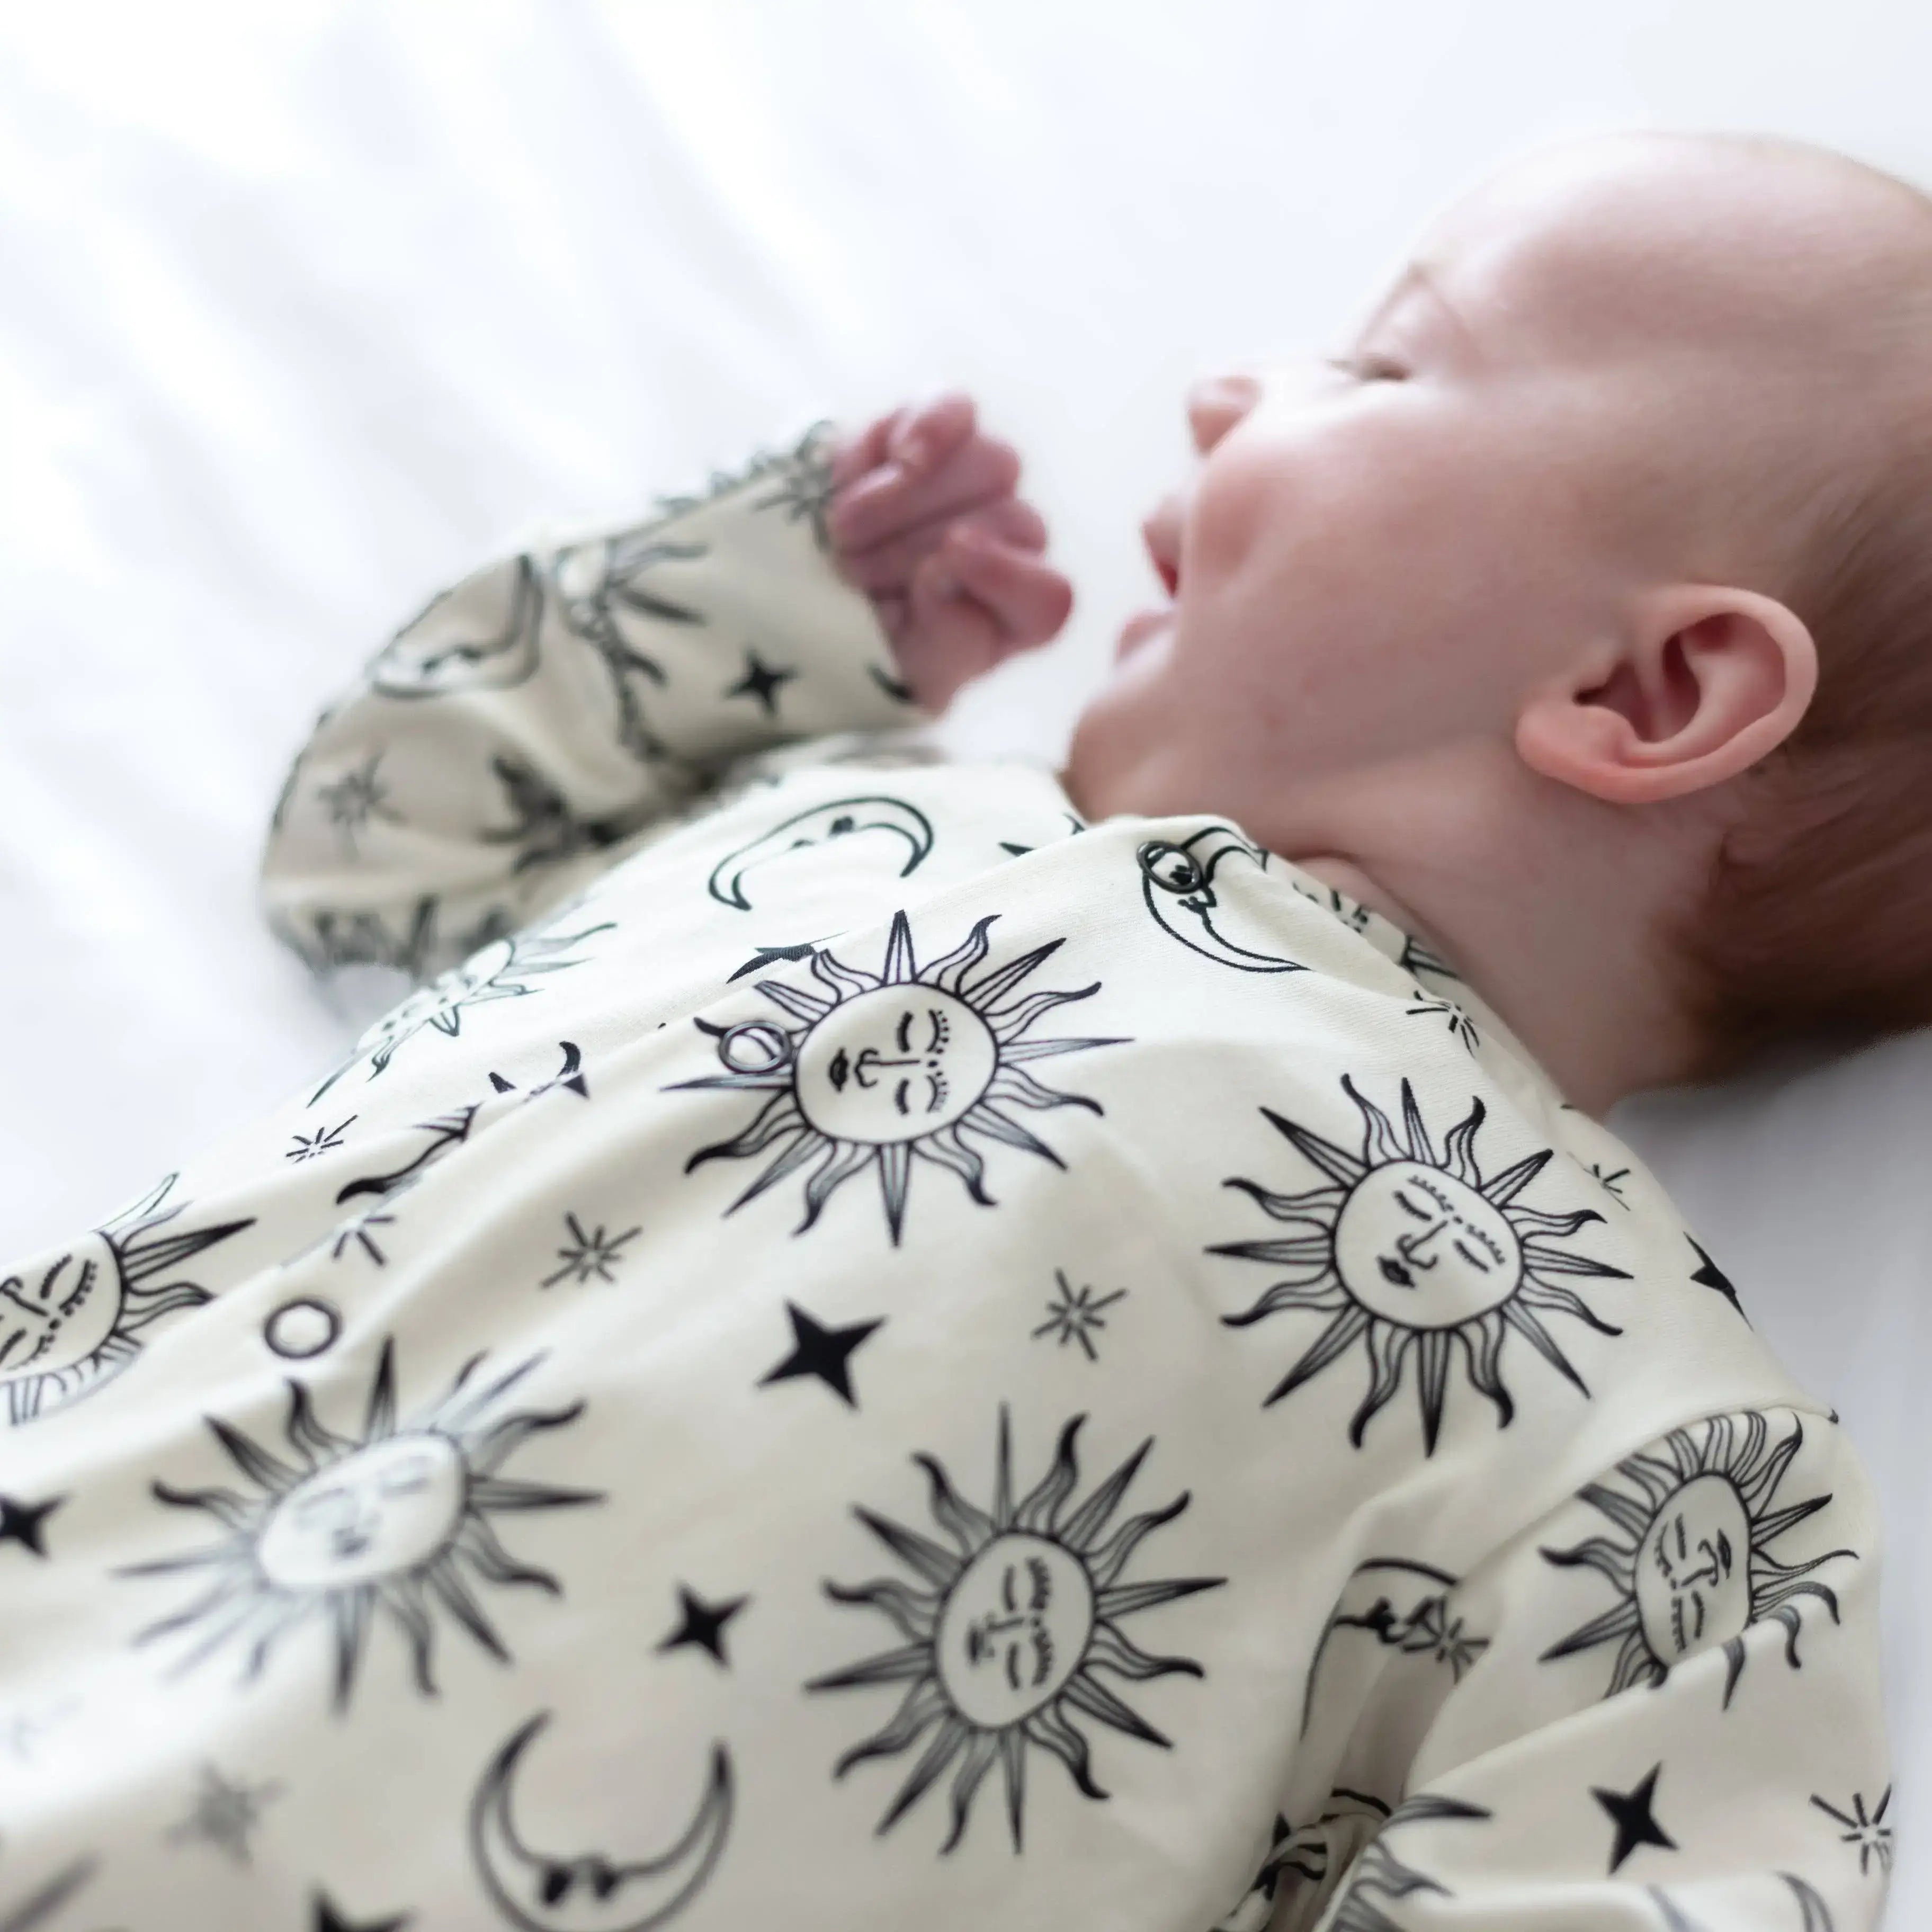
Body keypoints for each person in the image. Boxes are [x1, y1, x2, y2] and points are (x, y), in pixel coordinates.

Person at [0, 128, 1909, 1931]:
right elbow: (381, 833)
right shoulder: (848, 816)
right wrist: (747, 616)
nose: (1227, 391)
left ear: (1650, 687)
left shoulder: (1652, 1446)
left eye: (1384, 368)